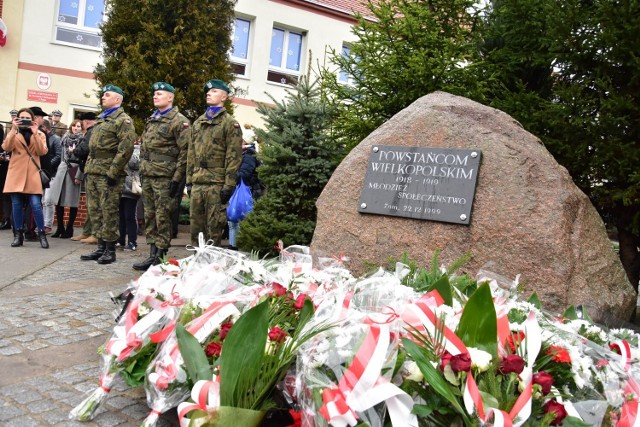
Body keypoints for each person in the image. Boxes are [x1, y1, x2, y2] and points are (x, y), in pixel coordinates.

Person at [133, 81, 190, 271]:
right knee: (149, 215)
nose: (155, 96)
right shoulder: (152, 119)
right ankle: (151, 254)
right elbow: (144, 147)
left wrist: (177, 178)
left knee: (163, 216)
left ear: (170, 97)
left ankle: (161, 255)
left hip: (166, 176)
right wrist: (142, 169)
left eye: (160, 93)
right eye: (154, 93)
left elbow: (185, 152)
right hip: (149, 174)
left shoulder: (179, 121)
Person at [80, 84, 136, 264]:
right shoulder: (101, 119)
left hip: (108, 173)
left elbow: (125, 148)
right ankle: (100, 247)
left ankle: (110, 250)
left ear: (117, 99)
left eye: (107, 95)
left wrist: (114, 171)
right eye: (103, 95)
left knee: (108, 211)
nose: (103, 97)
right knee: (94, 210)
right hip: (93, 170)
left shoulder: (123, 120)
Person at [186, 79, 243, 246]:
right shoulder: (198, 122)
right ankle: (196, 261)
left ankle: (212, 265)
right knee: (196, 227)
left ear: (224, 97)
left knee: (214, 227)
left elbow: (233, 156)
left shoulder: (229, 123)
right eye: (208, 92)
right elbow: (191, 153)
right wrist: (189, 181)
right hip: (198, 181)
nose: (209, 94)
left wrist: (229, 184)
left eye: (214, 91)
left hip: (217, 183)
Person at [1, 108, 49, 248]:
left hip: (33, 174)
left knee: (35, 204)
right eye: (21, 117)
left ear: (32, 119)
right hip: (16, 173)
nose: (24, 120)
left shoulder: (39, 133)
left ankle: (41, 234)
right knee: (16, 205)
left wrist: (35, 133)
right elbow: (6, 147)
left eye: (27, 117)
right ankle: (18, 235)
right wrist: (13, 129)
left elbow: (42, 151)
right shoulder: (14, 133)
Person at [46, 119, 83, 238]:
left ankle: (69, 228)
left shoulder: (82, 140)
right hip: (62, 168)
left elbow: (82, 157)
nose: (75, 128)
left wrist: (74, 153)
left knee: (72, 201)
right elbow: (62, 154)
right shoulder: (65, 138)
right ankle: (60, 228)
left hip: (74, 169)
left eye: (78, 126)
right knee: (58, 199)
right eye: (74, 126)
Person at [227, 143, 261, 250]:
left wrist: (229, 175)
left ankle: (237, 245)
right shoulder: (245, 155)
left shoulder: (248, 156)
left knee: (237, 220)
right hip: (243, 191)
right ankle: (233, 245)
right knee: (234, 220)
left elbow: (244, 174)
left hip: (245, 192)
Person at [71, 112, 98, 242]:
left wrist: (74, 151)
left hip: (93, 170)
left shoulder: (91, 131)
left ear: (86, 122)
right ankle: (87, 232)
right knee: (89, 204)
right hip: (88, 169)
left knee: (93, 205)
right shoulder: (91, 131)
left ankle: (94, 233)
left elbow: (84, 149)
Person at [41, 118, 63, 234]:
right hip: (43, 172)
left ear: (44, 128)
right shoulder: (43, 137)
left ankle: (47, 225)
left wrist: (47, 166)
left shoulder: (56, 139)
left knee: (48, 200)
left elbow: (58, 156)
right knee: (43, 200)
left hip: (52, 173)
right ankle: (42, 224)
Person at [117, 143, 140, 251]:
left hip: (131, 188)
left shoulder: (137, 150)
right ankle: (121, 239)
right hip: (120, 187)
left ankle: (132, 241)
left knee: (130, 216)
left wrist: (125, 151)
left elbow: (135, 163)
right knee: (121, 216)